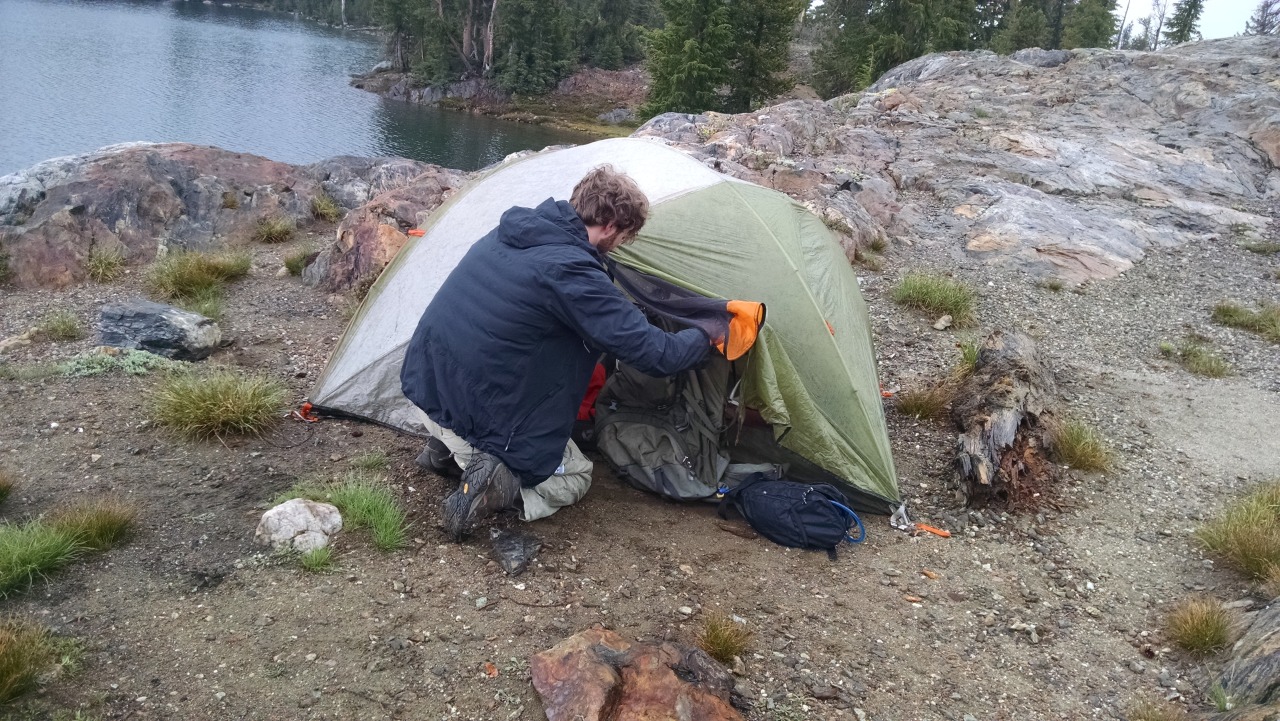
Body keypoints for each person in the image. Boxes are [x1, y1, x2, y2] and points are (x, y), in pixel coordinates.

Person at [400, 165, 713, 540]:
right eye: (626, 237)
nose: (621, 245)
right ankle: (491, 487)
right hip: (473, 408)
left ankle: (445, 450)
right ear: (611, 227)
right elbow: (655, 353)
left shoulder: (515, 230)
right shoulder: (571, 271)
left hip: (426, 385)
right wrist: (708, 335)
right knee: (577, 475)